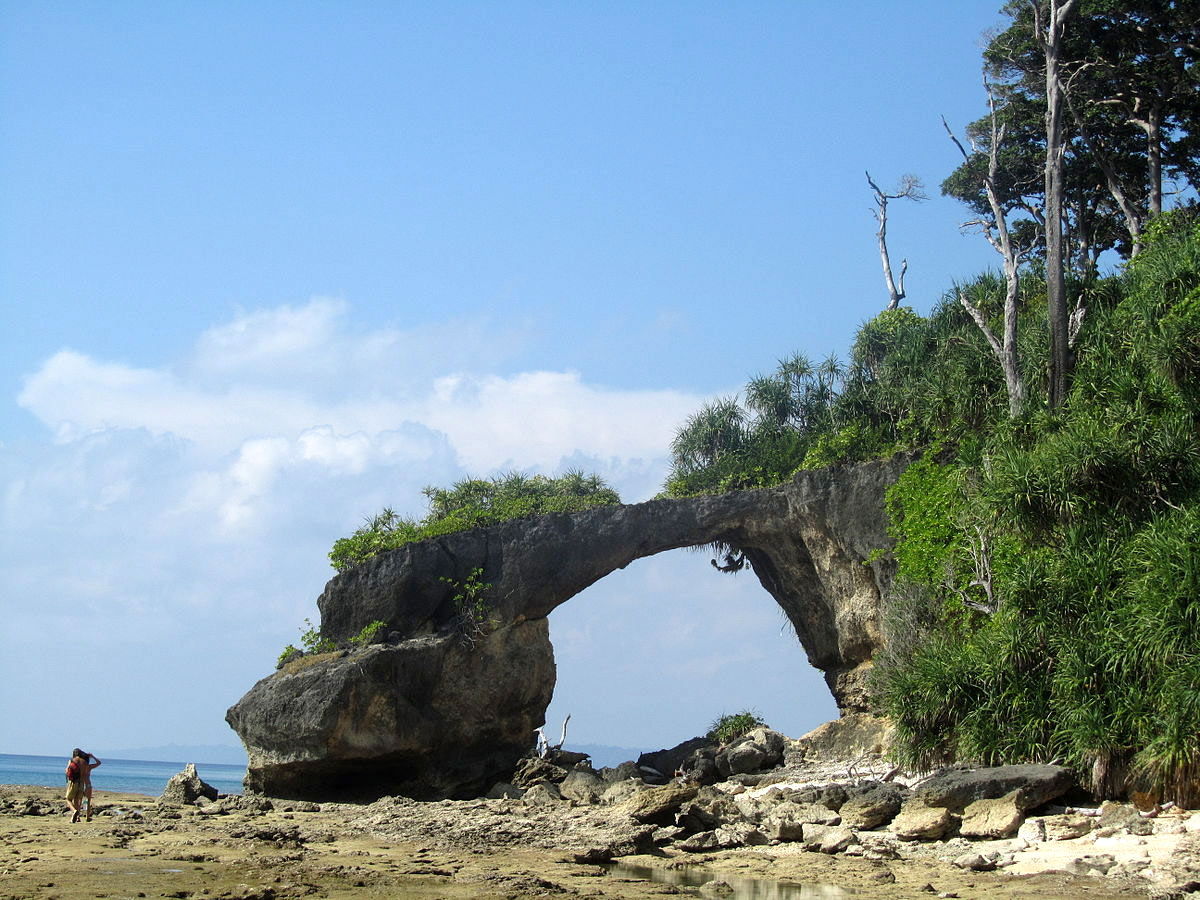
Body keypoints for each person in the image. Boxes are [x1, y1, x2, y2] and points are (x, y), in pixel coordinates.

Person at [64, 748, 101, 823]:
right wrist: (92, 756)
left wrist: (68, 765)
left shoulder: (73, 760)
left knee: (68, 799)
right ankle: (77, 817)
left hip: (74, 782)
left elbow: (67, 771)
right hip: (82, 783)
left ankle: (74, 812)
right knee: (78, 800)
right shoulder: (86, 764)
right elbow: (98, 763)